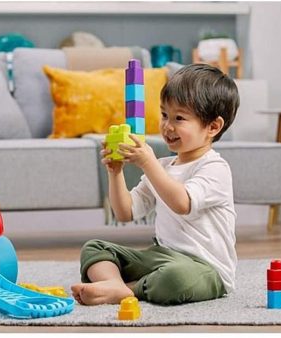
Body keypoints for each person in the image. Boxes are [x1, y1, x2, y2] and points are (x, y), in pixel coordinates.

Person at [71, 64, 240, 306]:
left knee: (175, 278)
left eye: (179, 118)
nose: (167, 126)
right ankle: (116, 286)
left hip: (205, 268)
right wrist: (115, 173)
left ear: (213, 127)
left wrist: (149, 163)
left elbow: (182, 203)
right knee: (94, 248)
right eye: (164, 115)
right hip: (162, 256)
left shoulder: (215, 168)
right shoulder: (162, 166)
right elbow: (125, 212)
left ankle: (127, 290)